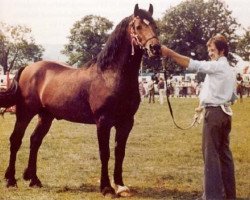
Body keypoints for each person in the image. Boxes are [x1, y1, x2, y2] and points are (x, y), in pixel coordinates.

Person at [161, 34, 237, 200]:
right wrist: (206, 104)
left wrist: (170, 53)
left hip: (215, 114)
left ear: (222, 51)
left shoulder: (217, 66)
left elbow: (193, 64)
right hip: (225, 114)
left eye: (212, 50)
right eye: (209, 50)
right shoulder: (230, 70)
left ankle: (212, 196)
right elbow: (233, 96)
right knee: (224, 155)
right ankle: (229, 195)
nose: (210, 53)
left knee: (210, 155)